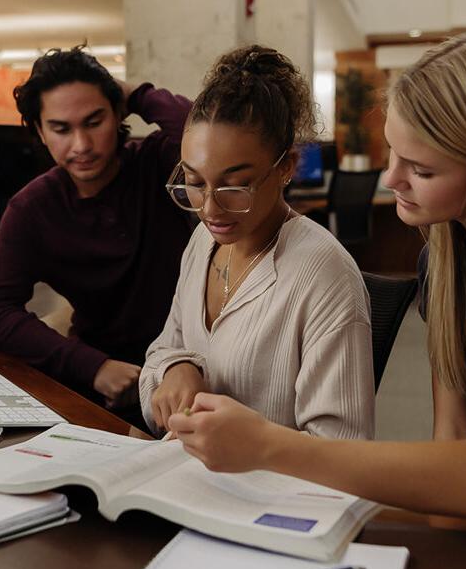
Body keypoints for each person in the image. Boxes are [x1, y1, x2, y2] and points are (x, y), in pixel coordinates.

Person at [169, 29, 466, 527]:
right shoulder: (445, 256)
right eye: (392, 153)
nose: (391, 180)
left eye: (421, 169)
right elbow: (453, 441)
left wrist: (265, 445)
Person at [140, 45, 374, 439]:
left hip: (267, 496)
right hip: (184, 478)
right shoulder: (203, 242)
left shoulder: (325, 275)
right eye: (195, 184)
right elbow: (157, 359)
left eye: (236, 185)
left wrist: (252, 443)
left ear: (286, 167)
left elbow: (345, 448)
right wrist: (176, 368)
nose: (210, 209)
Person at [0, 46, 193, 422]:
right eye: (61, 128)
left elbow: (209, 130)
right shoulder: (33, 207)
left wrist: (137, 94)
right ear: (40, 132)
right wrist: (93, 366)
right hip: (105, 383)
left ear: (118, 114)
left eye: (94, 122)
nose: (82, 146)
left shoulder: (158, 163)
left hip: (188, 366)